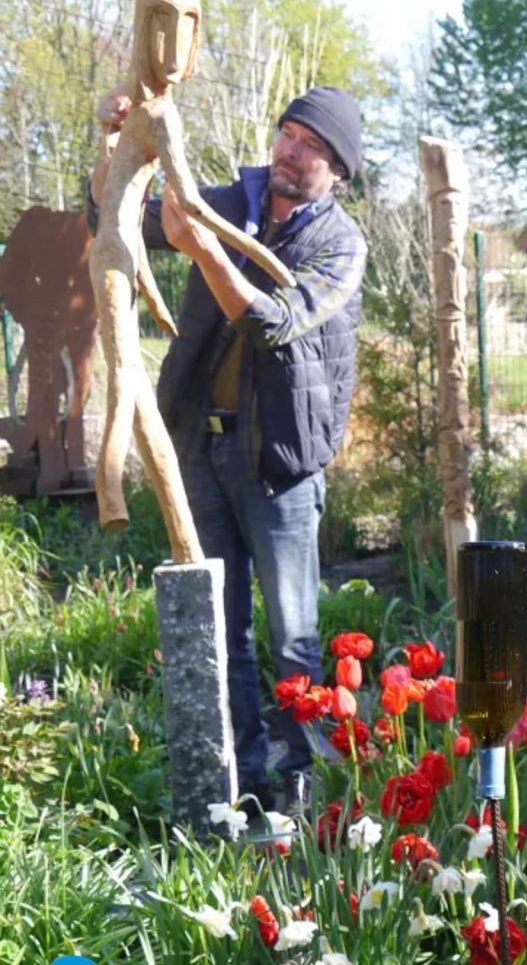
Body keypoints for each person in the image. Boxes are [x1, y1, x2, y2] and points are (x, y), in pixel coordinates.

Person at [89, 83, 367, 815]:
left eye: (311, 145)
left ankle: (309, 789)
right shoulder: (227, 200)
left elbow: (274, 323)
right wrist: (120, 146)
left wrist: (203, 247)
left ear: (337, 170)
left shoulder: (339, 244)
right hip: (199, 452)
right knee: (225, 630)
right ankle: (245, 780)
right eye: (287, 133)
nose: (290, 149)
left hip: (277, 467)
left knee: (294, 639)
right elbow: (114, 215)